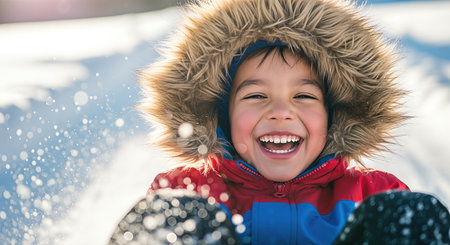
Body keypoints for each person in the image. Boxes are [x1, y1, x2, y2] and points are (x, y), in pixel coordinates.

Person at [110, 0, 450, 244]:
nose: (280, 112)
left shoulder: (370, 194)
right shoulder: (187, 191)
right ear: (220, 116)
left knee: (409, 214)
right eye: (256, 96)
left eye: (304, 96)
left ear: (335, 116)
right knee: (171, 215)